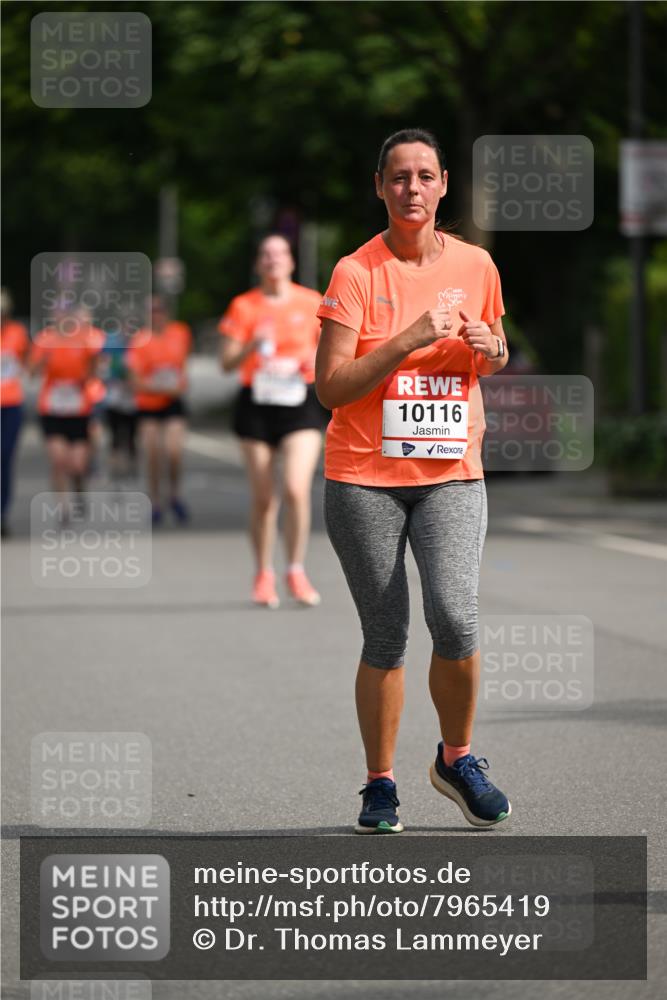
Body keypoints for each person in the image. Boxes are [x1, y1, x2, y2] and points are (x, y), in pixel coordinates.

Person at [315, 128, 512, 833]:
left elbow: (487, 351)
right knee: (387, 633)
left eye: (424, 176)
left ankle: (455, 758)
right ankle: (379, 785)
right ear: (379, 186)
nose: (411, 189)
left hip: (451, 472)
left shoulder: (476, 263)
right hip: (364, 477)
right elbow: (331, 389)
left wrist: (491, 350)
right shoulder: (355, 273)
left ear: (443, 184)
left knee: (455, 616)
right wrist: (404, 338)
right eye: (398, 177)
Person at [219, 234, 328, 609]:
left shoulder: (311, 301)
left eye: (279, 253)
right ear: (257, 264)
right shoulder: (243, 306)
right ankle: (263, 573)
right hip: (257, 403)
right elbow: (226, 363)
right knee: (265, 497)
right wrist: (252, 344)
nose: (273, 260)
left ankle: (295, 570)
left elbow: (330, 351)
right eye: (265, 254)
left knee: (297, 488)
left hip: (300, 401)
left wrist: (312, 364)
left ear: (291, 261)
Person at [29, 302, 104, 510]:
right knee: (59, 460)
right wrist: (43, 360)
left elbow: (95, 368)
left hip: (78, 409)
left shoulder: (83, 339)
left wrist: (83, 379)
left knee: (78, 464)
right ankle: (62, 506)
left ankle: (79, 489)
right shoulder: (45, 339)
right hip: (52, 408)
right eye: (57, 314)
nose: (60, 318)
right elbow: (31, 372)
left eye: (64, 314)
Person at [126, 295, 191, 525]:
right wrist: (160, 386)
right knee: (152, 453)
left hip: (173, 402)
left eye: (160, 310)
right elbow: (134, 379)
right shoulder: (140, 339)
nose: (157, 314)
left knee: (173, 451)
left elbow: (183, 369)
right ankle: (155, 500)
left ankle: (174, 494)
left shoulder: (180, 332)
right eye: (152, 311)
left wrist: (179, 385)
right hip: (148, 404)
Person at [0, 289, 29, 536]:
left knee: (4, 456)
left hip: (10, 404)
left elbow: (25, 363)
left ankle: (2, 511)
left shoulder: (17, 333)